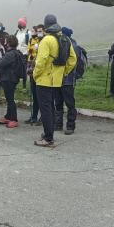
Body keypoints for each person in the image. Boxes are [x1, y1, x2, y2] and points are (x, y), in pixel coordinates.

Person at [33, 14, 77, 147]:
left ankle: (48, 138)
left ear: (46, 26)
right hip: (57, 81)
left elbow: (41, 61)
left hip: (44, 80)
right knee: (51, 108)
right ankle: (49, 131)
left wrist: (35, 75)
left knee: (46, 109)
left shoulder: (46, 40)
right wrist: (64, 72)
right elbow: (73, 59)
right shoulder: (65, 39)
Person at [54, 27, 81, 135]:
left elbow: (73, 62)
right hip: (61, 79)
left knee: (69, 104)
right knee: (59, 102)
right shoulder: (68, 44)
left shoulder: (72, 46)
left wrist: (64, 72)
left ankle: (70, 125)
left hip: (67, 79)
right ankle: (59, 124)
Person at [0, 35, 22, 128]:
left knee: (10, 99)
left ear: (9, 43)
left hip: (9, 79)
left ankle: (14, 119)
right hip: (11, 78)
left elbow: (1, 63)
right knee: (8, 98)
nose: (5, 43)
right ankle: (8, 116)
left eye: (6, 41)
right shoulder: (15, 52)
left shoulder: (10, 54)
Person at [25, 25, 44, 125]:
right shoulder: (30, 41)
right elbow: (29, 54)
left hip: (38, 70)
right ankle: (33, 116)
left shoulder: (41, 41)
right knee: (34, 95)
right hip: (31, 69)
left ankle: (42, 116)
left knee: (39, 96)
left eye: (34, 31)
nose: (32, 32)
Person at [15, 17, 30, 88]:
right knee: (16, 69)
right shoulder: (17, 32)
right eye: (18, 23)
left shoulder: (28, 33)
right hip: (17, 53)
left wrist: (27, 53)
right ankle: (16, 84)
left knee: (24, 70)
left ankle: (24, 86)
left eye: (20, 23)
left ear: (24, 24)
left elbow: (29, 43)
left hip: (24, 54)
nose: (19, 24)